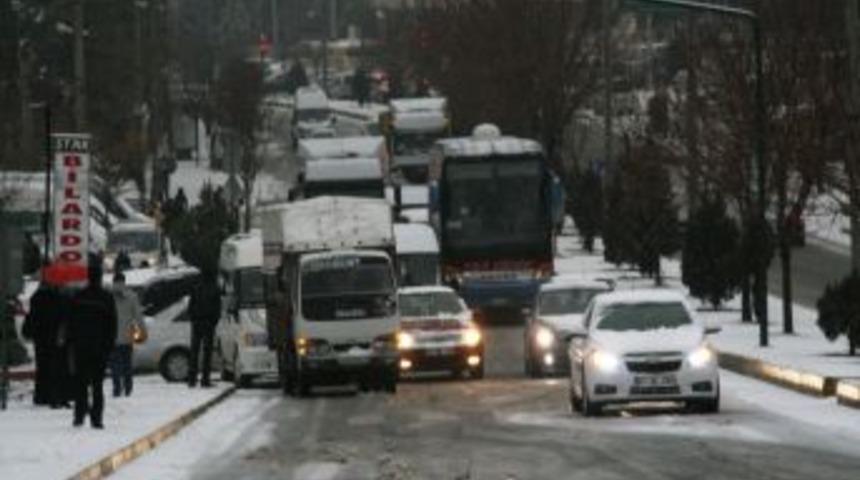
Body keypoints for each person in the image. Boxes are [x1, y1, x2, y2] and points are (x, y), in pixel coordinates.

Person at [69, 261, 118, 428]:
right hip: (100, 348)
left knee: (80, 383)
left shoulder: (78, 297)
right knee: (98, 384)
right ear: (100, 278)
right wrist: (109, 345)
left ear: (88, 278)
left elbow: (71, 322)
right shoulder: (106, 298)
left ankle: (79, 415)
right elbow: (112, 324)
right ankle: (97, 418)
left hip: (81, 347)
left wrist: (72, 341)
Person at [22, 280, 70, 408]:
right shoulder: (60, 298)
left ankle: (41, 395)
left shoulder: (36, 298)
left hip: (40, 338)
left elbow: (32, 317)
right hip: (55, 337)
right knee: (56, 366)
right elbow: (64, 316)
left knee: (42, 366)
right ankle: (55, 395)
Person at [109, 272, 146, 397]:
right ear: (124, 282)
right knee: (127, 364)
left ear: (113, 282)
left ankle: (117, 388)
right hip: (127, 336)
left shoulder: (109, 296)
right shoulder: (132, 296)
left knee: (115, 365)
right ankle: (128, 387)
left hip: (112, 336)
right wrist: (143, 331)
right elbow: (138, 317)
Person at [187, 270, 221, 387]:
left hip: (197, 323)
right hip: (208, 322)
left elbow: (190, 307)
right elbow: (217, 308)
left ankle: (192, 379)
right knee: (207, 352)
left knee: (194, 351)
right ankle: (205, 379)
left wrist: (193, 319)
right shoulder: (215, 289)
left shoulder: (195, 288)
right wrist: (214, 322)